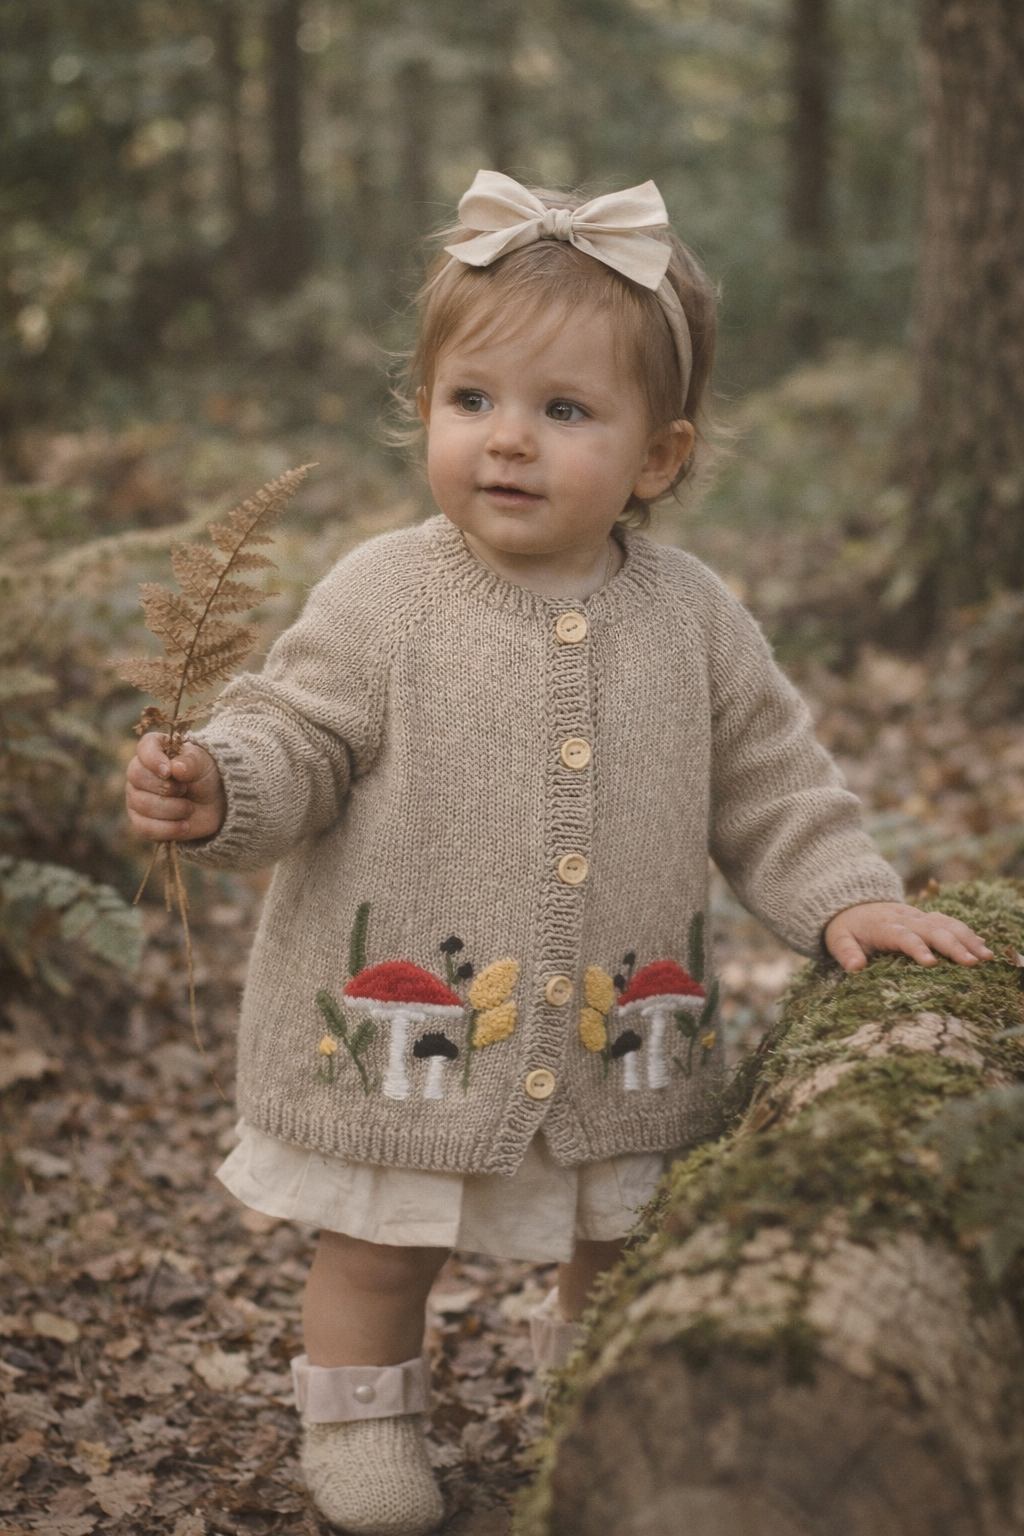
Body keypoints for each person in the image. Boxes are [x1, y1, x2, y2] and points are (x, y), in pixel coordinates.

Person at [125, 171, 993, 1536]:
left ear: (658, 455)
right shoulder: (381, 594)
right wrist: (222, 782)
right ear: (425, 411)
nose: (508, 442)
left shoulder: (695, 617)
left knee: (619, 1230)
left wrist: (848, 899)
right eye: (472, 402)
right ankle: (366, 1416)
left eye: (564, 411)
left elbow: (774, 780)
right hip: (419, 1020)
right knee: (378, 1239)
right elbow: (293, 732)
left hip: (618, 1025)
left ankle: (595, 1400)